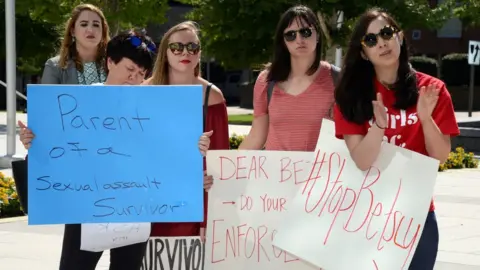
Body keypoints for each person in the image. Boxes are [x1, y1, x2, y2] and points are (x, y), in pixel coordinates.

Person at [19, 31, 214, 270]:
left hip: (137, 208)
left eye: (142, 74)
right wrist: (32, 141)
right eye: (130, 70)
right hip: (86, 208)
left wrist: (195, 149)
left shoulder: (154, 108)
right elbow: (55, 151)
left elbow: (169, 154)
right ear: (110, 62)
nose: (134, 79)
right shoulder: (78, 103)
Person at [333, 8, 459, 270]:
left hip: (418, 216)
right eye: (371, 40)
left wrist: (426, 119)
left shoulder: (432, 90)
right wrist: (379, 127)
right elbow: (362, 160)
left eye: (387, 33)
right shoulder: (351, 95)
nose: (382, 42)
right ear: (363, 53)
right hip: (365, 217)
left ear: (399, 37)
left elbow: (441, 156)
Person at [142, 21, 229, 240]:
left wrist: (208, 219)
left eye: (193, 47)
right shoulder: (144, 92)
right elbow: (135, 154)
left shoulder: (212, 96)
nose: (185, 52)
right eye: (177, 47)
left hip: (193, 208)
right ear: (165, 52)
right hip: (149, 204)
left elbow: (219, 165)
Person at [239, 4, 338, 152]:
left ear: (317, 35)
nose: (299, 39)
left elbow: (351, 138)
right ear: (283, 42)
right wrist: (225, 169)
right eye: (290, 35)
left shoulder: (337, 79)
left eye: (305, 32)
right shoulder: (266, 81)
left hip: (322, 173)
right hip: (275, 173)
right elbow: (256, 137)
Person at [41, 3, 110, 85]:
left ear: (103, 31)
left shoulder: (116, 64)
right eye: (84, 24)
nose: (90, 30)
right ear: (73, 31)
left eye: (96, 25)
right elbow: (48, 97)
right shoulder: (54, 66)